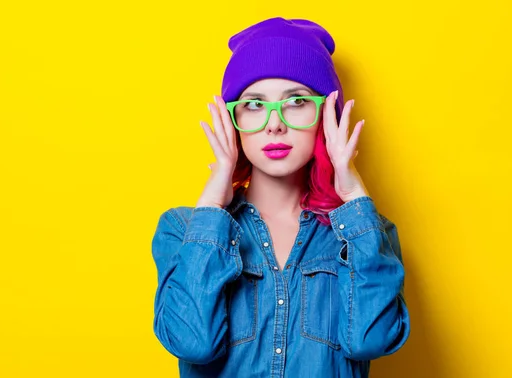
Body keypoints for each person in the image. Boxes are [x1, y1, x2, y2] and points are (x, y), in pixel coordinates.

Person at [151, 17, 410, 377]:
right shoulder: (184, 229)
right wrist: (212, 205)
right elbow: (192, 342)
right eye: (255, 105)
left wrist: (352, 195)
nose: (274, 124)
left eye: (297, 101)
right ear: (232, 121)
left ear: (326, 116)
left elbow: (372, 339)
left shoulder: (364, 234)